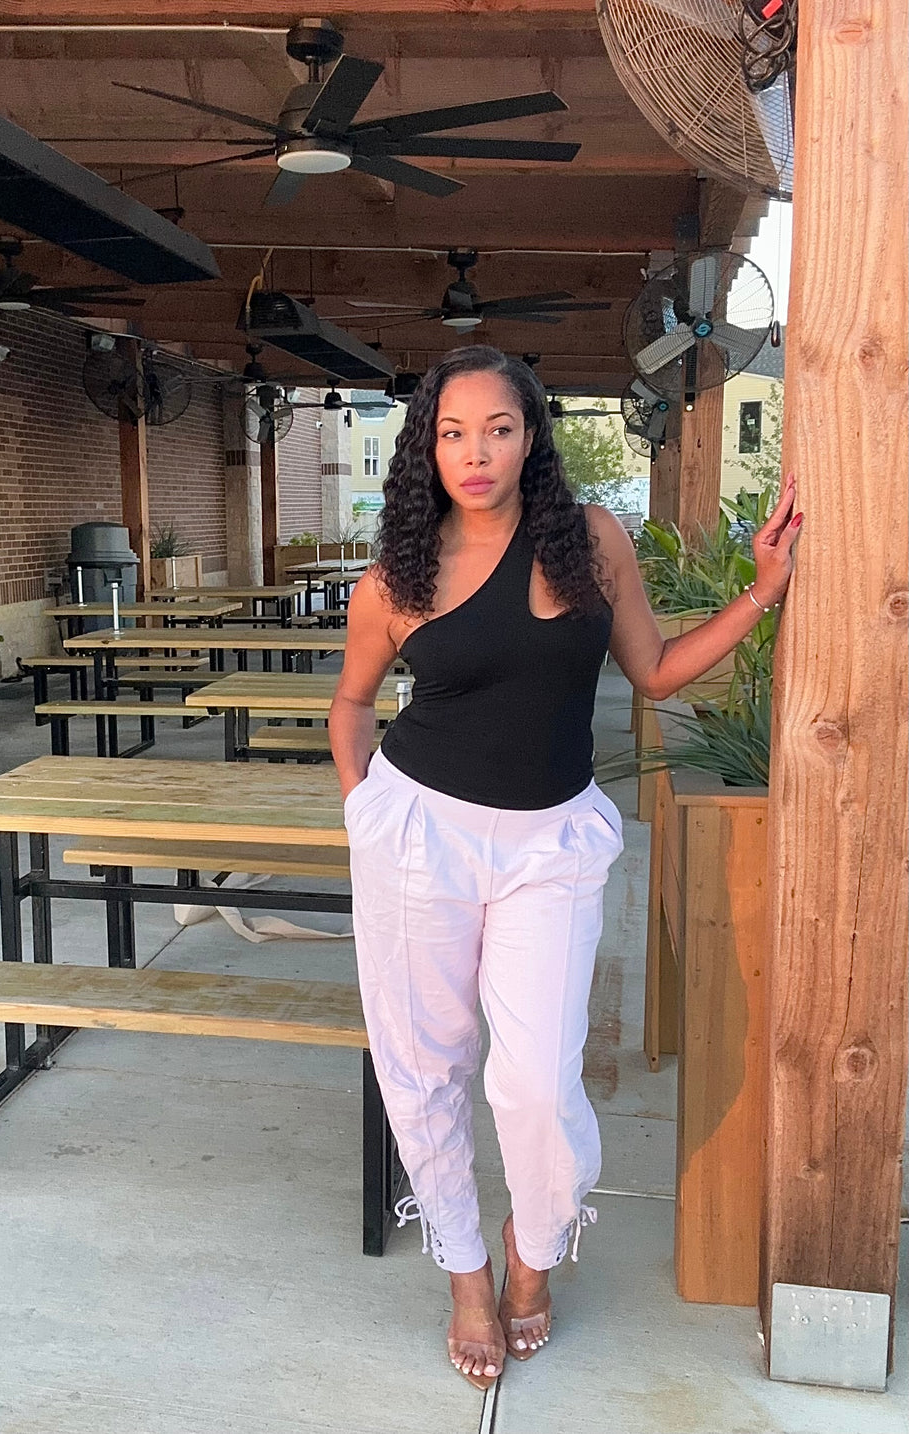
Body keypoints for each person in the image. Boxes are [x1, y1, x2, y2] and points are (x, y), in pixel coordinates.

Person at [328, 345, 802, 1390]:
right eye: (452, 434)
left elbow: (656, 669)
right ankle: (466, 1271)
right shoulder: (398, 576)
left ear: (531, 436)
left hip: (551, 842)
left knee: (538, 1081)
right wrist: (366, 812)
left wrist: (762, 592)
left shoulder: (590, 541)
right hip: (421, 837)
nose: (475, 453)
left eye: (497, 429)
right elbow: (352, 703)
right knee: (424, 1068)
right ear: (427, 450)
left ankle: (532, 1254)